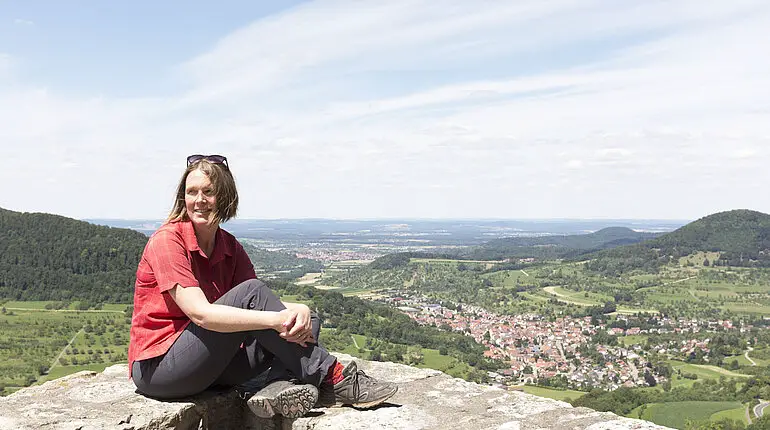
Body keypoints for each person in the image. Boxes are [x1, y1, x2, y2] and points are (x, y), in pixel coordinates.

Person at [128, 154, 397, 418]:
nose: (199, 200)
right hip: (161, 369)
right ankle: (335, 378)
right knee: (261, 299)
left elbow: (263, 307)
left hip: (209, 365)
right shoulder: (168, 241)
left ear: (224, 196)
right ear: (182, 197)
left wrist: (298, 310)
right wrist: (276, 319)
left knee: (305, 319)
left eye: (208, 191)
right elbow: (202, 313)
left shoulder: (229, 247)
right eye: (192, 192)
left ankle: (277, 387)